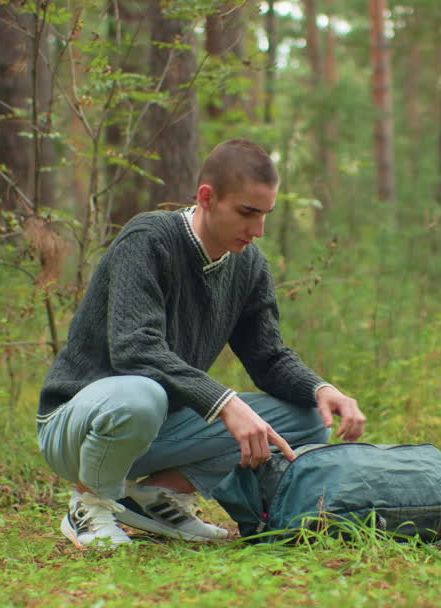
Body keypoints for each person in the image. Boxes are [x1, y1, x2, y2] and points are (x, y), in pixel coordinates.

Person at [36, 138, 366, 548]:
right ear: (207, 197)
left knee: (309, 418)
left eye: (265, 215)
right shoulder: (148, 240)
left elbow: (268, 357)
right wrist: (224, 403)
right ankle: (89, 503)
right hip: (76, 424)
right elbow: (135, 349)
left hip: (156, 426)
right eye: (247, 213)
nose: (258, 230)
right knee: (142, 393)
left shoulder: (248, 265)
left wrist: (321, 388)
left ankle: (159, 496)